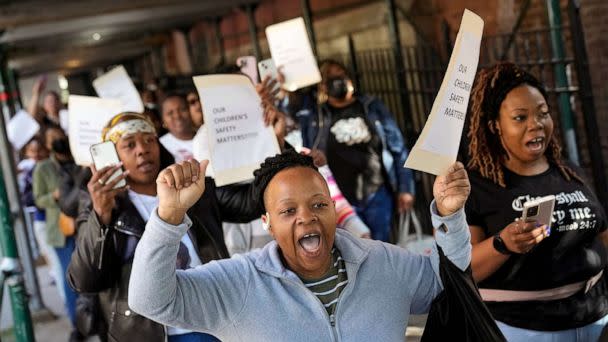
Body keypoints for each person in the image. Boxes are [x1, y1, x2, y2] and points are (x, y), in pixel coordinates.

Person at [128, 151, 471, 340]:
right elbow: (151, 301)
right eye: (288, 211)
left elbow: (447, 282)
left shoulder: (383, 263)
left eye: (319, 205)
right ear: (266, 222)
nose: (306, 218)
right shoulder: (238, 284)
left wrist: (449, 216)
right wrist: (169, 215)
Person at [67, 109, 284, 342]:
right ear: (113, 156)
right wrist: (101, 215)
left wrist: (277, 144)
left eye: (149, 140)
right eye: (129, 145)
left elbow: (252, 202)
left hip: (214, 322)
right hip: (150, 333)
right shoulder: (101, 206)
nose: (142, 149)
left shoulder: (193, 188)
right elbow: (85, 281)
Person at [465, 62, 608, 341]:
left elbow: (602, 235)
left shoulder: (570, 172)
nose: (536, 124)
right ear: (495, 126)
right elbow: (463, 269)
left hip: (596, 319)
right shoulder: (476, 185)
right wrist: (503, 244)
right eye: (520, 117)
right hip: (525, 329)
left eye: (543, 113)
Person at [300, 59, 415, 242]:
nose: (337, 80)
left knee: (382, 251)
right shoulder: (317, 118)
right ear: (322, 86)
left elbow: (397, 147)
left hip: (377, 195)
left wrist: (405, 188)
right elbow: (304, 149)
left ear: (350, 79)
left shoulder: (371, 107)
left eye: (341, 75)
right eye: (330, 78)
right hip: (340, 202)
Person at [33, 125, 82, 341]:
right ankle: (76, 326)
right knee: (69, 278)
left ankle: (94, 318)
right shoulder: (43, 168)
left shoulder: (79, 160)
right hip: (61, 231)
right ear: (47, 144)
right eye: (52, 138)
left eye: (60, 135)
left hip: (83, 227)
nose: (58, 140)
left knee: (89, 275)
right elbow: (38, 199)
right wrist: (53, 196)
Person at [159, 93, 196, 162]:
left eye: (182, 109)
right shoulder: (160, 146)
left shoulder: (206, 137)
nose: (177, 116)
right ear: (163, 120)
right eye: (170, 113)